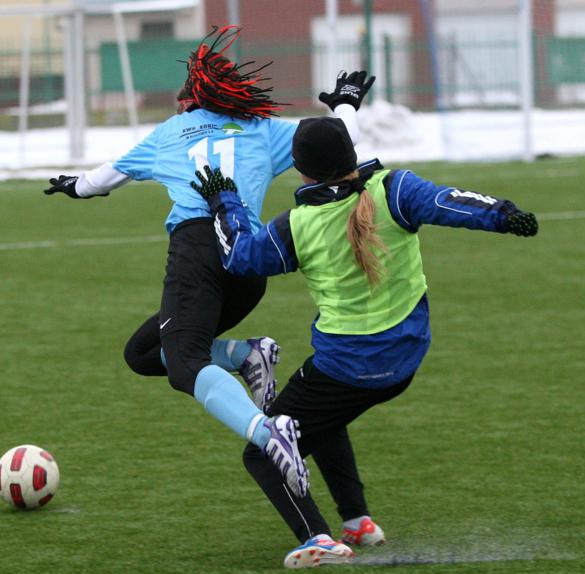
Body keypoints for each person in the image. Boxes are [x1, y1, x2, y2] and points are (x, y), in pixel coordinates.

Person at [190, 116, 539, 568]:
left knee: (262, 452)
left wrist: (224, 199)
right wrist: (506, 215)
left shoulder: (297, 224)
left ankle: (316, 537)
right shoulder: (394, 189)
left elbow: (240, 256)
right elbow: (452, 202)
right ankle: (357, 522)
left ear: (301, 171)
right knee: (323, 416)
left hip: (345, 369)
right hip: (405, 362)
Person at [43, 25, 376, 498]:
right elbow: (342, 138)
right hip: (248, 258)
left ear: (189, 101)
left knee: (183, 365)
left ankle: (268, 433)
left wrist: (73, 186)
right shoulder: (262, 130)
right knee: (142, 353)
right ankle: (245, 354)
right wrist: (345, 101)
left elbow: (102, 179)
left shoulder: (172, 132)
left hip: (198, 251)